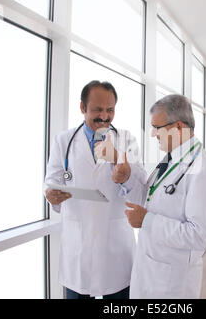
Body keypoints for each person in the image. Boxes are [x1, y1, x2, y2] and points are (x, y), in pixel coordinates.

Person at [44, 80, 145, 299]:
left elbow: (141, 191)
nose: (105, 116)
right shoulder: (63, 141)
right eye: (97, 109)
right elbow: (51, 182)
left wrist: (122, 168)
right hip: (78, 245)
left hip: (115, 246)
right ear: (82, 108)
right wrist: (51, 195)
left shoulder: (126, 140)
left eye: (110, 110)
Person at [118, 94, 206, 298]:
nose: (152, 134)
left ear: (178, 127)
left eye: (157, 127)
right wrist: (127, 178)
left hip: (172, 283)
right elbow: (151, 201)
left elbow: (200, 236)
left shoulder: (204, 170)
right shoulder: (170, 160)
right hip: (150, 269)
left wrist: (147, 221)